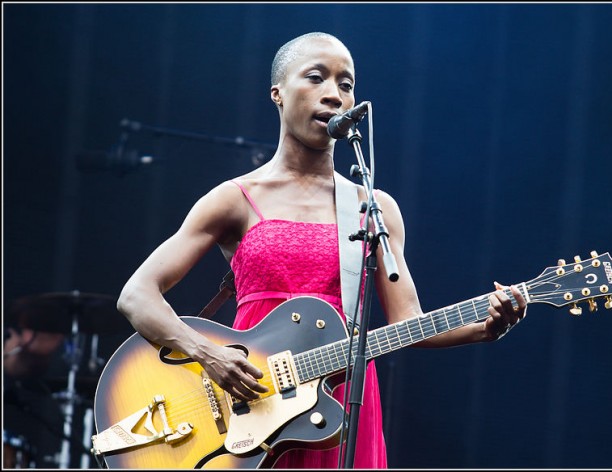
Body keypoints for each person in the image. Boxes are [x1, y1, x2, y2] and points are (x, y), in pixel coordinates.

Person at [116, 31, 527, 469]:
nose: (333, 94)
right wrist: (208, 353)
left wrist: (486, 328)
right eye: (316, 78)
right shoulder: (234, 198)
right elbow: (137, 295)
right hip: (250, 406)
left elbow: (410, 324)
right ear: (277, 92)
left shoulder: (373, 206)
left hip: (340, 407)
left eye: (346, 84)